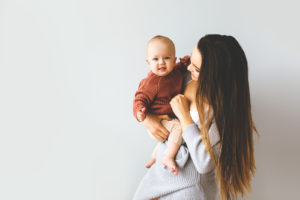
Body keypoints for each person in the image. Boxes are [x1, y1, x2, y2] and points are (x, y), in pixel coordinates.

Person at [133, 34, 258, 200]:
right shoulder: (184, 77)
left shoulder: (219, 111)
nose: (189, 67)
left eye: (197, 68)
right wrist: (147, 118)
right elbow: (149, 95)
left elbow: (204, 163)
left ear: (214, 76)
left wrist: (185, 118)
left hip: (188, 190)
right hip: (159, 178)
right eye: (191, 61)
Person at [133, 35, 190, 175]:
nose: (161, 63)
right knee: (178, 127)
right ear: (148, 62)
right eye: (155, 59)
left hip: (167, 118)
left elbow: (183, 66)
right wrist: (140, 112)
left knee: (169, 139)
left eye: (166, 58)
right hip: (159, 120)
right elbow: (140, 98)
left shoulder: (175, 71)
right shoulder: (153, 82)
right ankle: (168, 157)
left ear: (174, 59)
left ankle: (154, 157)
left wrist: (189, 59)